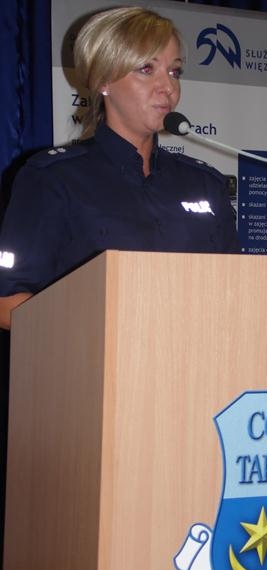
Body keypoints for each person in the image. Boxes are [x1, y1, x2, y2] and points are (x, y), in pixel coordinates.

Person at [0, 6, 240, 330]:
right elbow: (7, 302)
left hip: (198, 356)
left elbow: (237, 290)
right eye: (146, 69)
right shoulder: (53, 178)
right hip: (94, 358)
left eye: (174, 71)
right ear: (103, 81)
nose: (168, 87)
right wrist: (101, 328)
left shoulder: (204, 183)